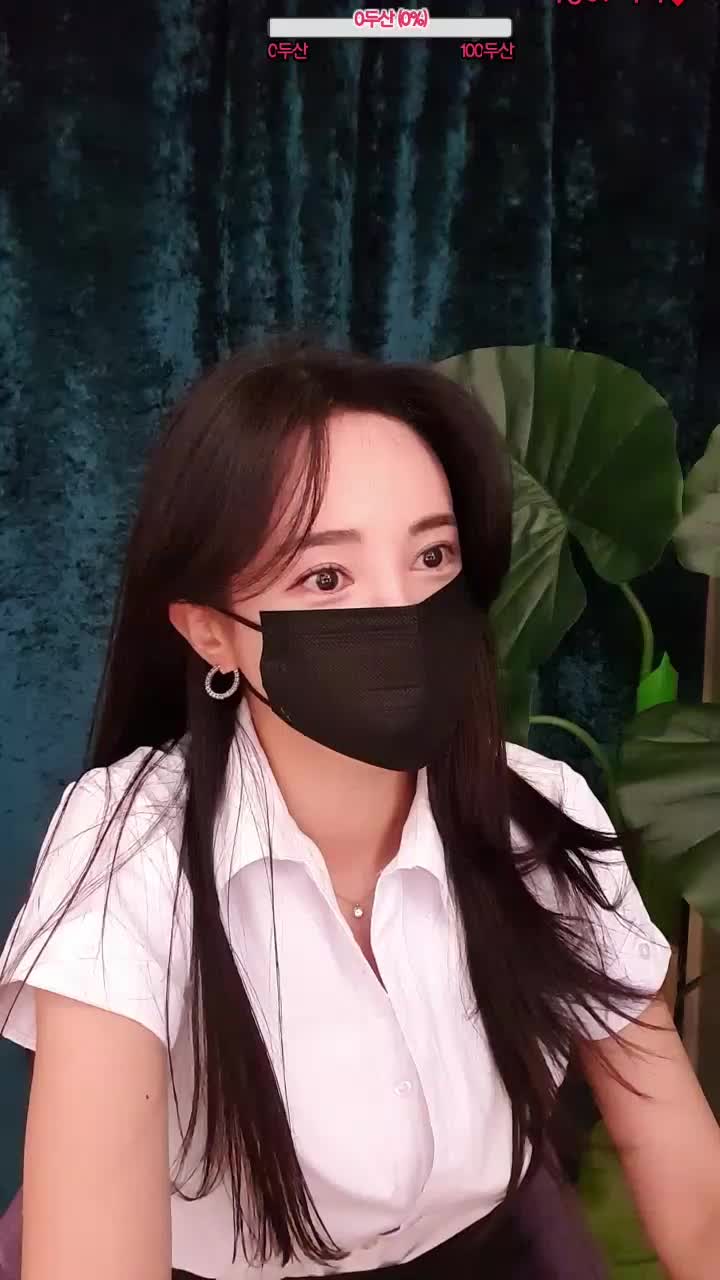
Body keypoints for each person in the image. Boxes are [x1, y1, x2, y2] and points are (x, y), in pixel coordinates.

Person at [1, 339, 718, 1280]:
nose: (402, 610)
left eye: (432, 556)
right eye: (327, 577)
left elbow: (680, 1163)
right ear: (211, 633)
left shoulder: (537, 815)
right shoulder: (131, 850)